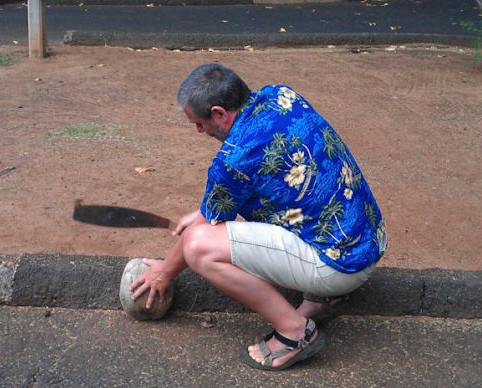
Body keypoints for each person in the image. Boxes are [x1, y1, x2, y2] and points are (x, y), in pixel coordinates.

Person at [129, 63, 387, 371]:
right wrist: (205, 210)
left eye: (198, 123)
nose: (198, 131)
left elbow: (201, 232)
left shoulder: (233, 159)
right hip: (366, 239)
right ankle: (322, 300)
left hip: (339, 267)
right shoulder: (281, 95)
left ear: (219, 113)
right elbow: (266, 175)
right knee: (290, 195)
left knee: (198, 246)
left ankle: (295, 333)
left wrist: (164, 273)